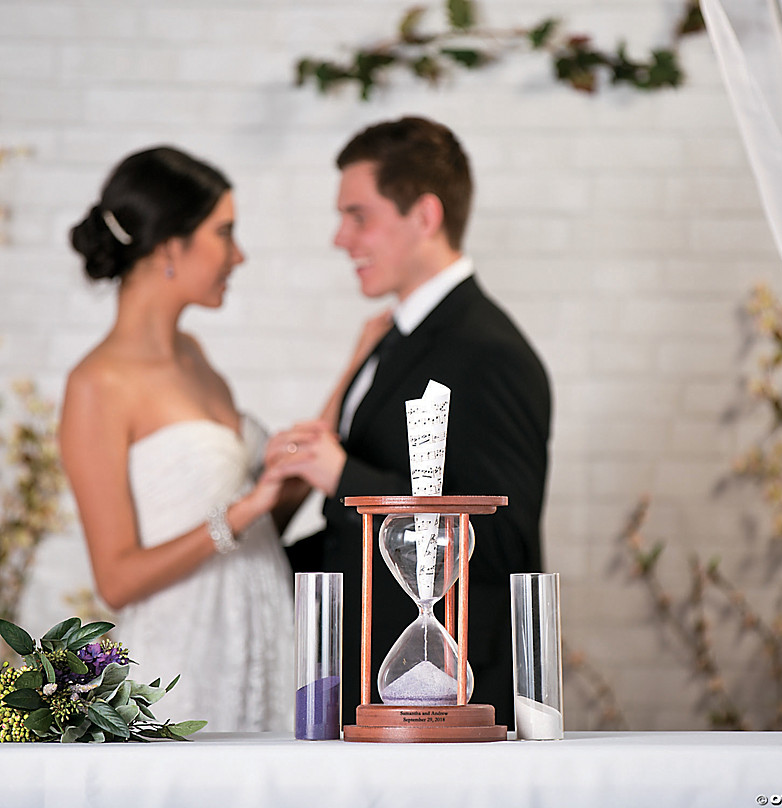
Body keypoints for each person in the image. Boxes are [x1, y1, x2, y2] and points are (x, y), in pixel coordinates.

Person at [267, 116, 552, 728]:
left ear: (425, 216)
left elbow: (504, 545)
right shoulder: (389, 338)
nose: (340, 239)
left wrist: (342, 474)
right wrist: (252, 560)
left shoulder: (489, 352)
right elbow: (356, 535)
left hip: (447, 711)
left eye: (358, 215)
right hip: (375, 699)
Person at [60, 146, 298, 732]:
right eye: (224, 232)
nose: (238, 255)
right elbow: (117, 580)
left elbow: (248, 527)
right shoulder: (97, 385)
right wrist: (243, 510)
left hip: (267, 638)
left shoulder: (196, 356)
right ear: (171, 244)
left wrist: (284, 483)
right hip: (188, 661)